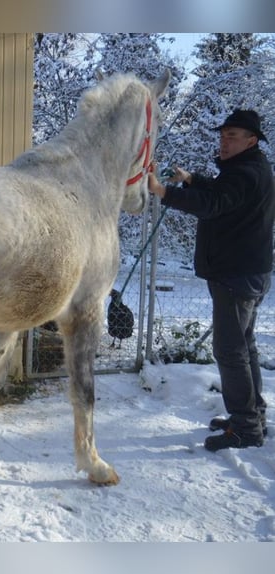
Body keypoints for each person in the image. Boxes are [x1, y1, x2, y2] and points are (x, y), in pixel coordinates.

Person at [147, 109, 275, 452]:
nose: (224, 141)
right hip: (248, 271)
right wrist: (191, 179)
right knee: (244, 349)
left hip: (235, 275)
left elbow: (214, 203)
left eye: (232, 136)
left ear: (251, 141)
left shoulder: (245, 173)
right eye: (222, 135)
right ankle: (252, 416)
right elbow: (222, 192)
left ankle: (247, 429)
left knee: (230, 352)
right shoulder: (249, 168)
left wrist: (164, 192)